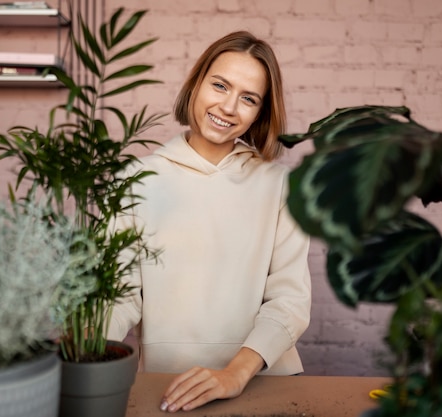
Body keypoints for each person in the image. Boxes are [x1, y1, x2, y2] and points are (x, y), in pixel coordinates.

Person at [108, 30, 312, 413]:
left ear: (260, 112)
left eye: (248, 98)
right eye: (220, 85)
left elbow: (290, 302)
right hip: (170, 387)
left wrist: (235, 373)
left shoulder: (282, 186)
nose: (229, 107)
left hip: (262, 384)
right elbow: (118, 295)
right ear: (196, 82)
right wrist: (82, 349)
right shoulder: (136, 180)